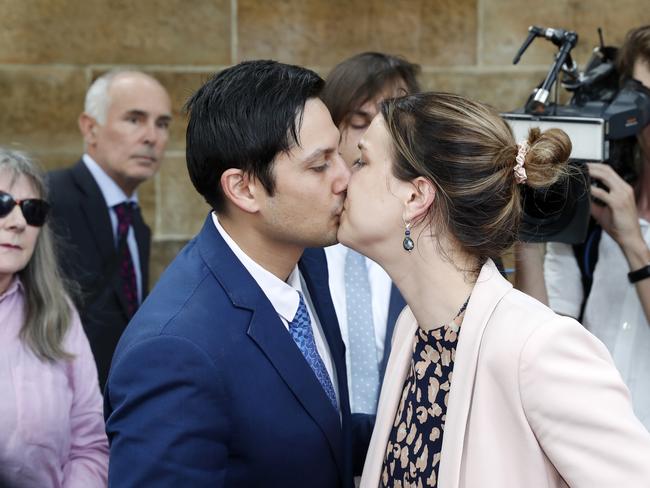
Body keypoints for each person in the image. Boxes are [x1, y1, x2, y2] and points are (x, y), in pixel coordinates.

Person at [335, 92, 650, 487]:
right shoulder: (412, 329)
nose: (342, 176)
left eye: (362, 160)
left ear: (415, 196)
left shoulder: (537, 348)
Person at [104, 60, 355, 487]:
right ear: (243, 188)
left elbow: (321, 428)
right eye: (320, 165)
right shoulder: (173, 350)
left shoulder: (306, 258)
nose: (344, 177)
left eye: (341, 154)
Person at [516, 24, 650, 430]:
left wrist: (634, 245)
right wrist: (531, 217)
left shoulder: (620, 224)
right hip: (590, 450)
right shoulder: (595, 207)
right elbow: (539, 335)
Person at [320, 52, 418, 467]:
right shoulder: (296, 245)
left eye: (395, 120)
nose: (380, 134)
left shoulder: (421, 243)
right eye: (361, 121)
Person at [47, 70, 172, 389]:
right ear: (90, 128)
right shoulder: (47, 199)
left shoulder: (136, 225)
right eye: (134, 119)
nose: (151, 137)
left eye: (162, 124)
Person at [0, 148, 108, 487]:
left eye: (33, 211)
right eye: (2, 203)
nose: (18, 222)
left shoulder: (57, 312)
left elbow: (90, 444)